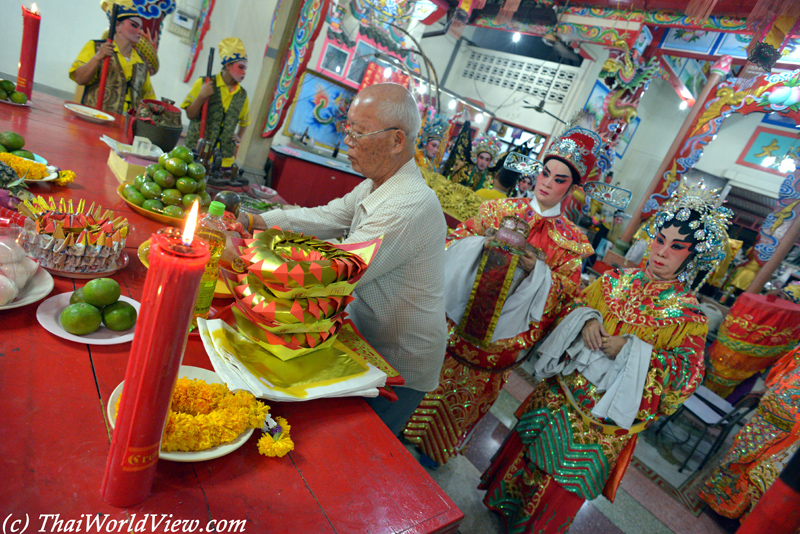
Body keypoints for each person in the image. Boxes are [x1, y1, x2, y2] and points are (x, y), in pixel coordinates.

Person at [478, 181, 733, 534]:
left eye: (676, 247)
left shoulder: (688, 317)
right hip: (559, 394)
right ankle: (500, 508)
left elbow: (684, 379)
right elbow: (573, 304)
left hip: (603, 420)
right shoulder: (614, 280)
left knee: (562, 482)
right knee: (526, 454)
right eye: (660, 239)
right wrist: (587, 319)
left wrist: (631, 350)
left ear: (692, 257)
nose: (661, 251)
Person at [239, 83, 447, 435]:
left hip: (398, 357)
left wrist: (247, 253)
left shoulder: (407, 204)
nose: (347, 140)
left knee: (359, 445)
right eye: (347, 129)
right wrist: (253, 220)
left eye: (359, 133)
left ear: (397, 141)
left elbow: (336, 272)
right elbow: (326, 217)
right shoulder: (375, 185)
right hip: (363, 335)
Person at [403, 127, 599, 467]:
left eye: (559, 180)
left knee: (468, 393)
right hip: (455, 319)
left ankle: (437, 449)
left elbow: (565, 296)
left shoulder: (570, 243)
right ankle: (400, 425)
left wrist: (534, 273)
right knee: (428, 374)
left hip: (500, 341)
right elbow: (456, 241)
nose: (547, 183)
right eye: (545, 173)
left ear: (571, 188)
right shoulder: (498, 209)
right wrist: (481, 245)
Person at [698, 345, 800, 520]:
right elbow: (790, 364)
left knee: (766, 473)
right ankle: (718, 500)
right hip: (770, 413)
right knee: (741, 455)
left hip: (791, 430)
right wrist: (769, 387)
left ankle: (742, 516)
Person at [69, 0, 156, 114]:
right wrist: (98, 57)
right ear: (117, 26)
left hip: (125, 126)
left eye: (140, 27)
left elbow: (149, 99)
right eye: (134, 25)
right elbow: (80, 79)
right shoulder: (95, 47)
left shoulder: (141, 63)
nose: (139, 31)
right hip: (94, 118)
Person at [182, 37, 251, 173]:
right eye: (240, 67)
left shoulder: (242, 95)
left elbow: (245, 121)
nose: (244, 73)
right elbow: (190, 115)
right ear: (228, 65)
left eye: (245, 69)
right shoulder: (204, 83)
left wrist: (239, 136)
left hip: (224, 159)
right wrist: (201, 96)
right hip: (197, 151)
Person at [442, 125, 503, 191]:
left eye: (487, 160)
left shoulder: (491, 179)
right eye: (481, 158)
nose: (483, 162)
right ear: (476, 157)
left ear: (490, 161)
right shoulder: (465, 170)